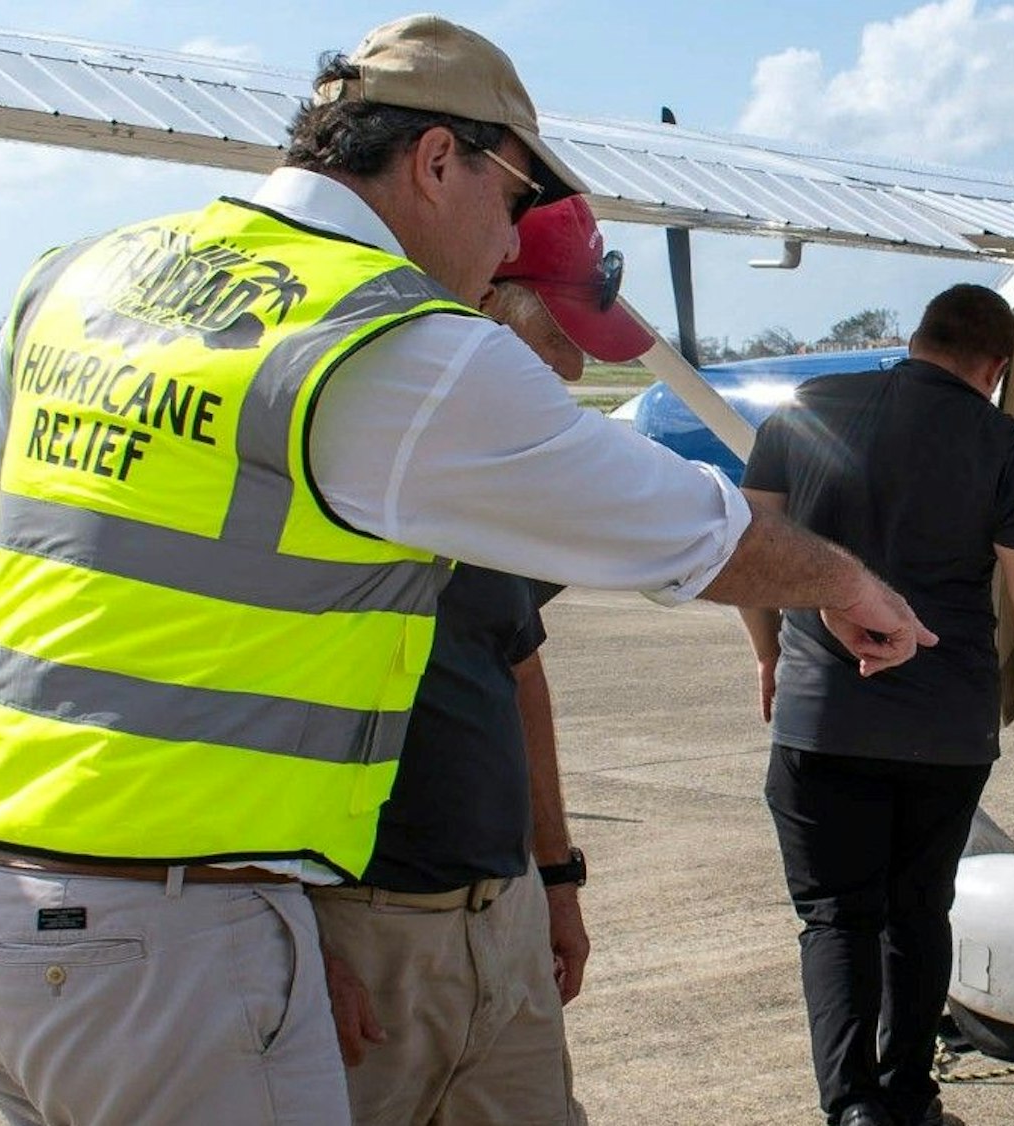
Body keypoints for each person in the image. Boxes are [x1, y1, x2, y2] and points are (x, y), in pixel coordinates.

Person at [0, 16, 934, 1126]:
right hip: (173, 942)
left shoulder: (78, 278)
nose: (505, 246)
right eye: (509, 201)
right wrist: (844, 582)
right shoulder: (385, 335)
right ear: (437, 158)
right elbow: (684, 530)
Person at [313, 196, 643, 1126]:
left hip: (500, 915)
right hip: (364, 929)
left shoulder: (488, 480)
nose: (573, 370)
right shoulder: (343, 449)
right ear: (486, 303)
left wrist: (556, 881)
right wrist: (296, 938)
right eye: (555, 341)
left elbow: (518, 673)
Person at [739, 284, 1014, 1126]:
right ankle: (910, 1094)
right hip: (947, 726)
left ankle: (853, 1107)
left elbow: (747, 542)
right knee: (918, 910)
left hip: (823, 715)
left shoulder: (807, 411)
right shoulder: (1008, 446)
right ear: (997, 368)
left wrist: (767, 655)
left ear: (917, 338)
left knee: (835, 919)